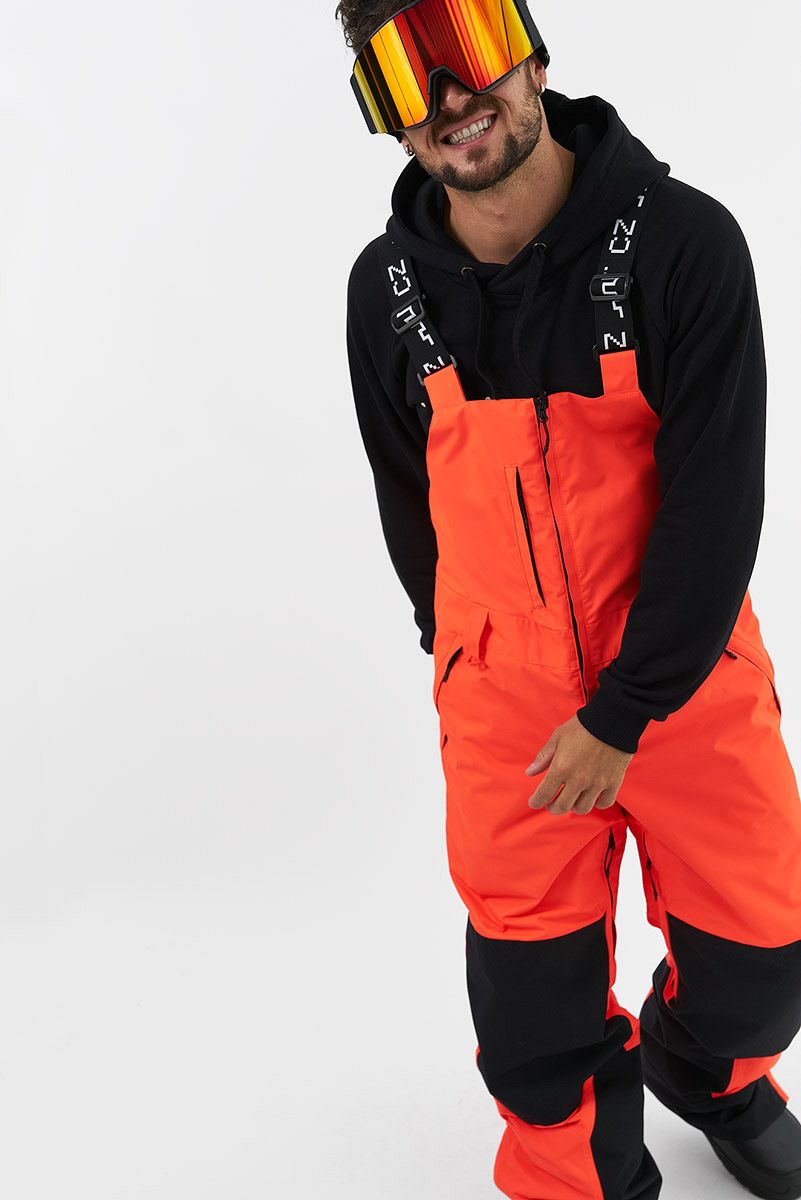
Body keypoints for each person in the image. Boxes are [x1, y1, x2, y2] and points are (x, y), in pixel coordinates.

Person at [338, 2, 801, 1196]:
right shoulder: (384, 290)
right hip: (506, 704)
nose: (451, 96)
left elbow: (718, 501)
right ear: (383, 114)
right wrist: (467, 661)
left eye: (467, 39)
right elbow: (408, 501)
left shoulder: (685, 244)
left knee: (766, 959)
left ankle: (709, 1072)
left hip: (686, 674)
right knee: (534, 1007)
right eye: (405, 74)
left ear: (531, 54)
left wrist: (624, 710)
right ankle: (578, 1180)